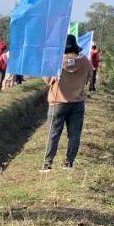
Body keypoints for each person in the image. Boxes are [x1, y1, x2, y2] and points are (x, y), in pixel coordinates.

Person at [41, 34, 93, 172]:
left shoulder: (56, 61)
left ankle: (47, 164)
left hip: (57, 102)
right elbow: (89, 79)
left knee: (53, 134)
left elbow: (47, 80)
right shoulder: (86, 62)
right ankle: (68, 163)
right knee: (74, 134)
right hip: (77, 103)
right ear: (76, 46)